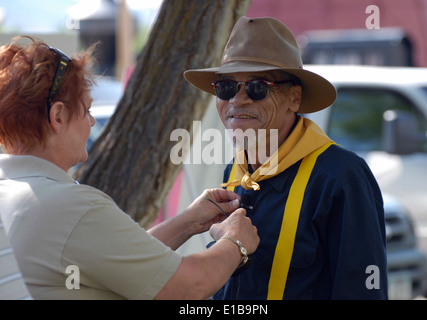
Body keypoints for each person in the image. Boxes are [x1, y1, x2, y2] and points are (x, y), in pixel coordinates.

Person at [0, 36, 259, 300]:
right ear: (57, 117)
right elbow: (187, 287)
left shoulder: (12, 192)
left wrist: (190, 221)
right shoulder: (69, 207)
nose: (91, 121)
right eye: (86, 110)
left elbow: (118, 260)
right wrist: (235, 243)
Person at [184, 16, 388, 299]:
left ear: (294, 98)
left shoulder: (341, 177)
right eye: (226, 87)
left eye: (257, 87)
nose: (236, 100)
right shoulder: (235, 170)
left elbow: (363, 291)